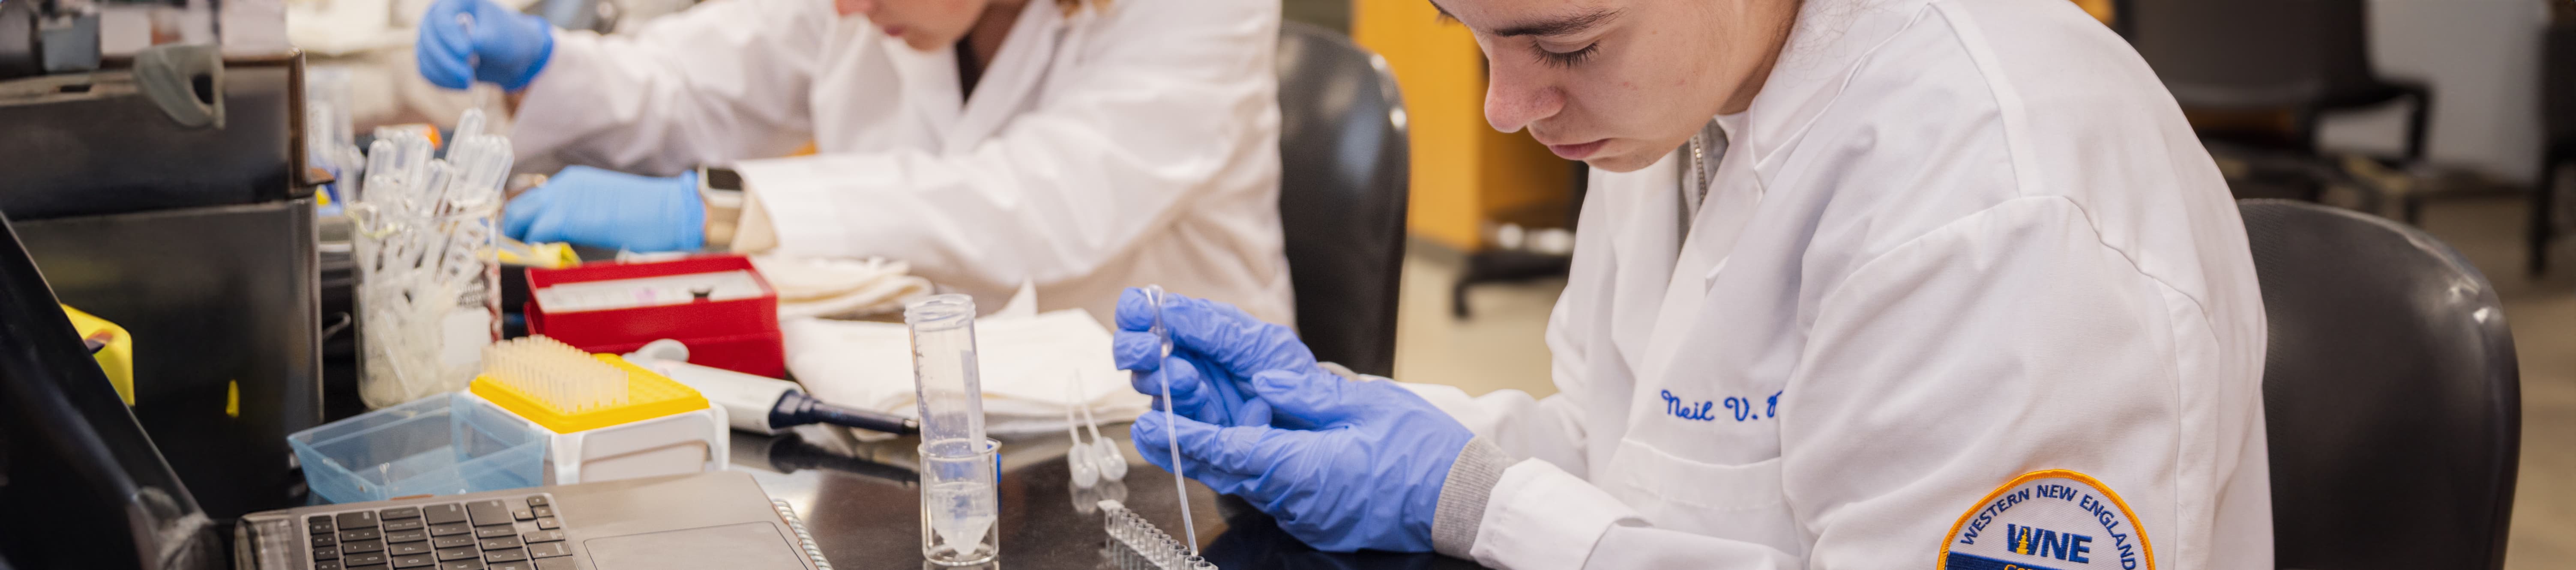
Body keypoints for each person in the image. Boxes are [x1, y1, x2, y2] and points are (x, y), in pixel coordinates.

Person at [1113, 0, 2272, 567]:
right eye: (1471, 35)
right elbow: (1638, 447)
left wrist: (1472, 498)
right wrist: (1381, 425)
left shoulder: (1994, 196)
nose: (1505, 108)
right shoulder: (1689, 91)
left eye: (1561, 47)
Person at [414, 0, 1296, 324]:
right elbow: (702, 79)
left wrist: (720, 209)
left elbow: (1039, 204)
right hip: (920, 411)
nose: (845, 5)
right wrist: (549, 64)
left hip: (1168, 440)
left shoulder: (1201, 9)